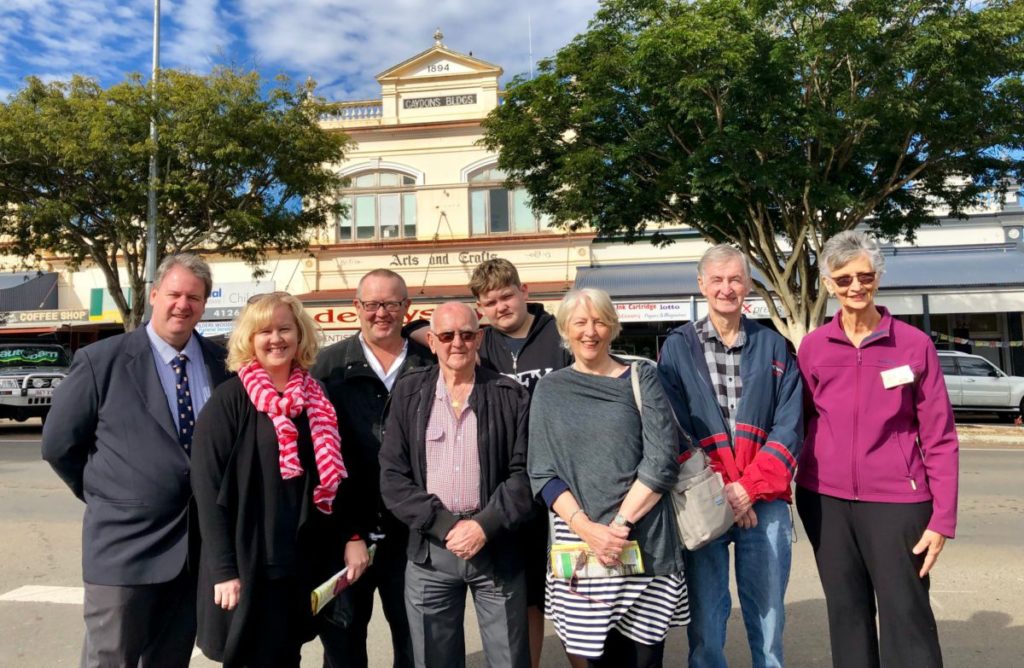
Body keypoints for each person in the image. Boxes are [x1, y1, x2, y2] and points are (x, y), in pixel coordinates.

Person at [41, 253, 229, 668]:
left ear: (204, 304)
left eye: (194, 297)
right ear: (154, 295)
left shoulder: (222, 363)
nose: (183, 305)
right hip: (124, 548)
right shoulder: (102, 361)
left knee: (170, 659)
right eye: (175, 294)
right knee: (111, 659)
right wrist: (108, 494)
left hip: (193, 550)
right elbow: (58, 445)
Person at [796, 230, 958, 668]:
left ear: (877, 278)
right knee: (846, 615)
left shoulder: (912, 345)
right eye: (843, 278)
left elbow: (940, 437)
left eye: (864, 276)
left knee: (907, 616)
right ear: (828, 283)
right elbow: (806, 419)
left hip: (898, 502)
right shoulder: (812, 348)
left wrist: (942, 518)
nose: (855, 287)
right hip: (824, 500)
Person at [657, 244, 803, 668]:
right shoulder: (676, 349)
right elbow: (677, 429)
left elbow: (790, 427)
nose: (726, 288)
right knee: (706, 618)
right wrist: (724, 488)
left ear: (749, 286)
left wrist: (748, 489)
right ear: (701, 285)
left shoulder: (775, 347)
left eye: (735, 279)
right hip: (705, 499)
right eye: (717, 279)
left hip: (765, 500)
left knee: (769, 615)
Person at [191, 291, 354, 666]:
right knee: (247, 656)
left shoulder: (317, 397)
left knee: (285, 656)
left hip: (295, 560)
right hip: (248, 563)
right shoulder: (230, 399)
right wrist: (224, 569)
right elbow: (206, 487)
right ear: (249, 339)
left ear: (300, 335)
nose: (276, 339)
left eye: (285, 329)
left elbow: (336, 475)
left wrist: (351, 535)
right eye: (264, 331)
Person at [529, 288, 688, 667]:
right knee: (594, 659)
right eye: (580, 322)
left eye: (599, 321)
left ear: (612, 327)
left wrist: (617, 526)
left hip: (643, 539)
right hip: (580, 547)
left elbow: (662, 461)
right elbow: (542, 471)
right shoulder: (551, 389)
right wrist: (588, 529)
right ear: (566, 330)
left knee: (644, 659)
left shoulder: (640, 377)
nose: (590, 331)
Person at [380, 301, 534, 668]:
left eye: (467, 334)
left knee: (510, 660)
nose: (457, 343)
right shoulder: (408, 394)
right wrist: (447, 527)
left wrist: (483, 525)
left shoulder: (510, 395)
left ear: (479, 338)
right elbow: (392, 476)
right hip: (431, 551)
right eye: (447, 336)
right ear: (432, 342)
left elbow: (525, 474)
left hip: (496, 547)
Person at [311, 269, 434, 668]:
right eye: (372, 304)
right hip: (345, 535)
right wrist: (346, 529)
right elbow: (315, 458)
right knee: (343, 648)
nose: (381, 313)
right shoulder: (327, 368)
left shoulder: (431, 363)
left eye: (392, 304)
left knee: (416, 646)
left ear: (406, 308)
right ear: (356, 308)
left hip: (413, 532)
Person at [469, 258, 573, 668]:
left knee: (575, 592)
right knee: (527, 596)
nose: (501, 307)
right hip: (512, 487)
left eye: (507, 296)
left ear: (524, 291)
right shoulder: (480, 344)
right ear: (480, 309)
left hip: (565, 481)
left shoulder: (561, 333)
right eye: (490, 302)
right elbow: (423, 334)